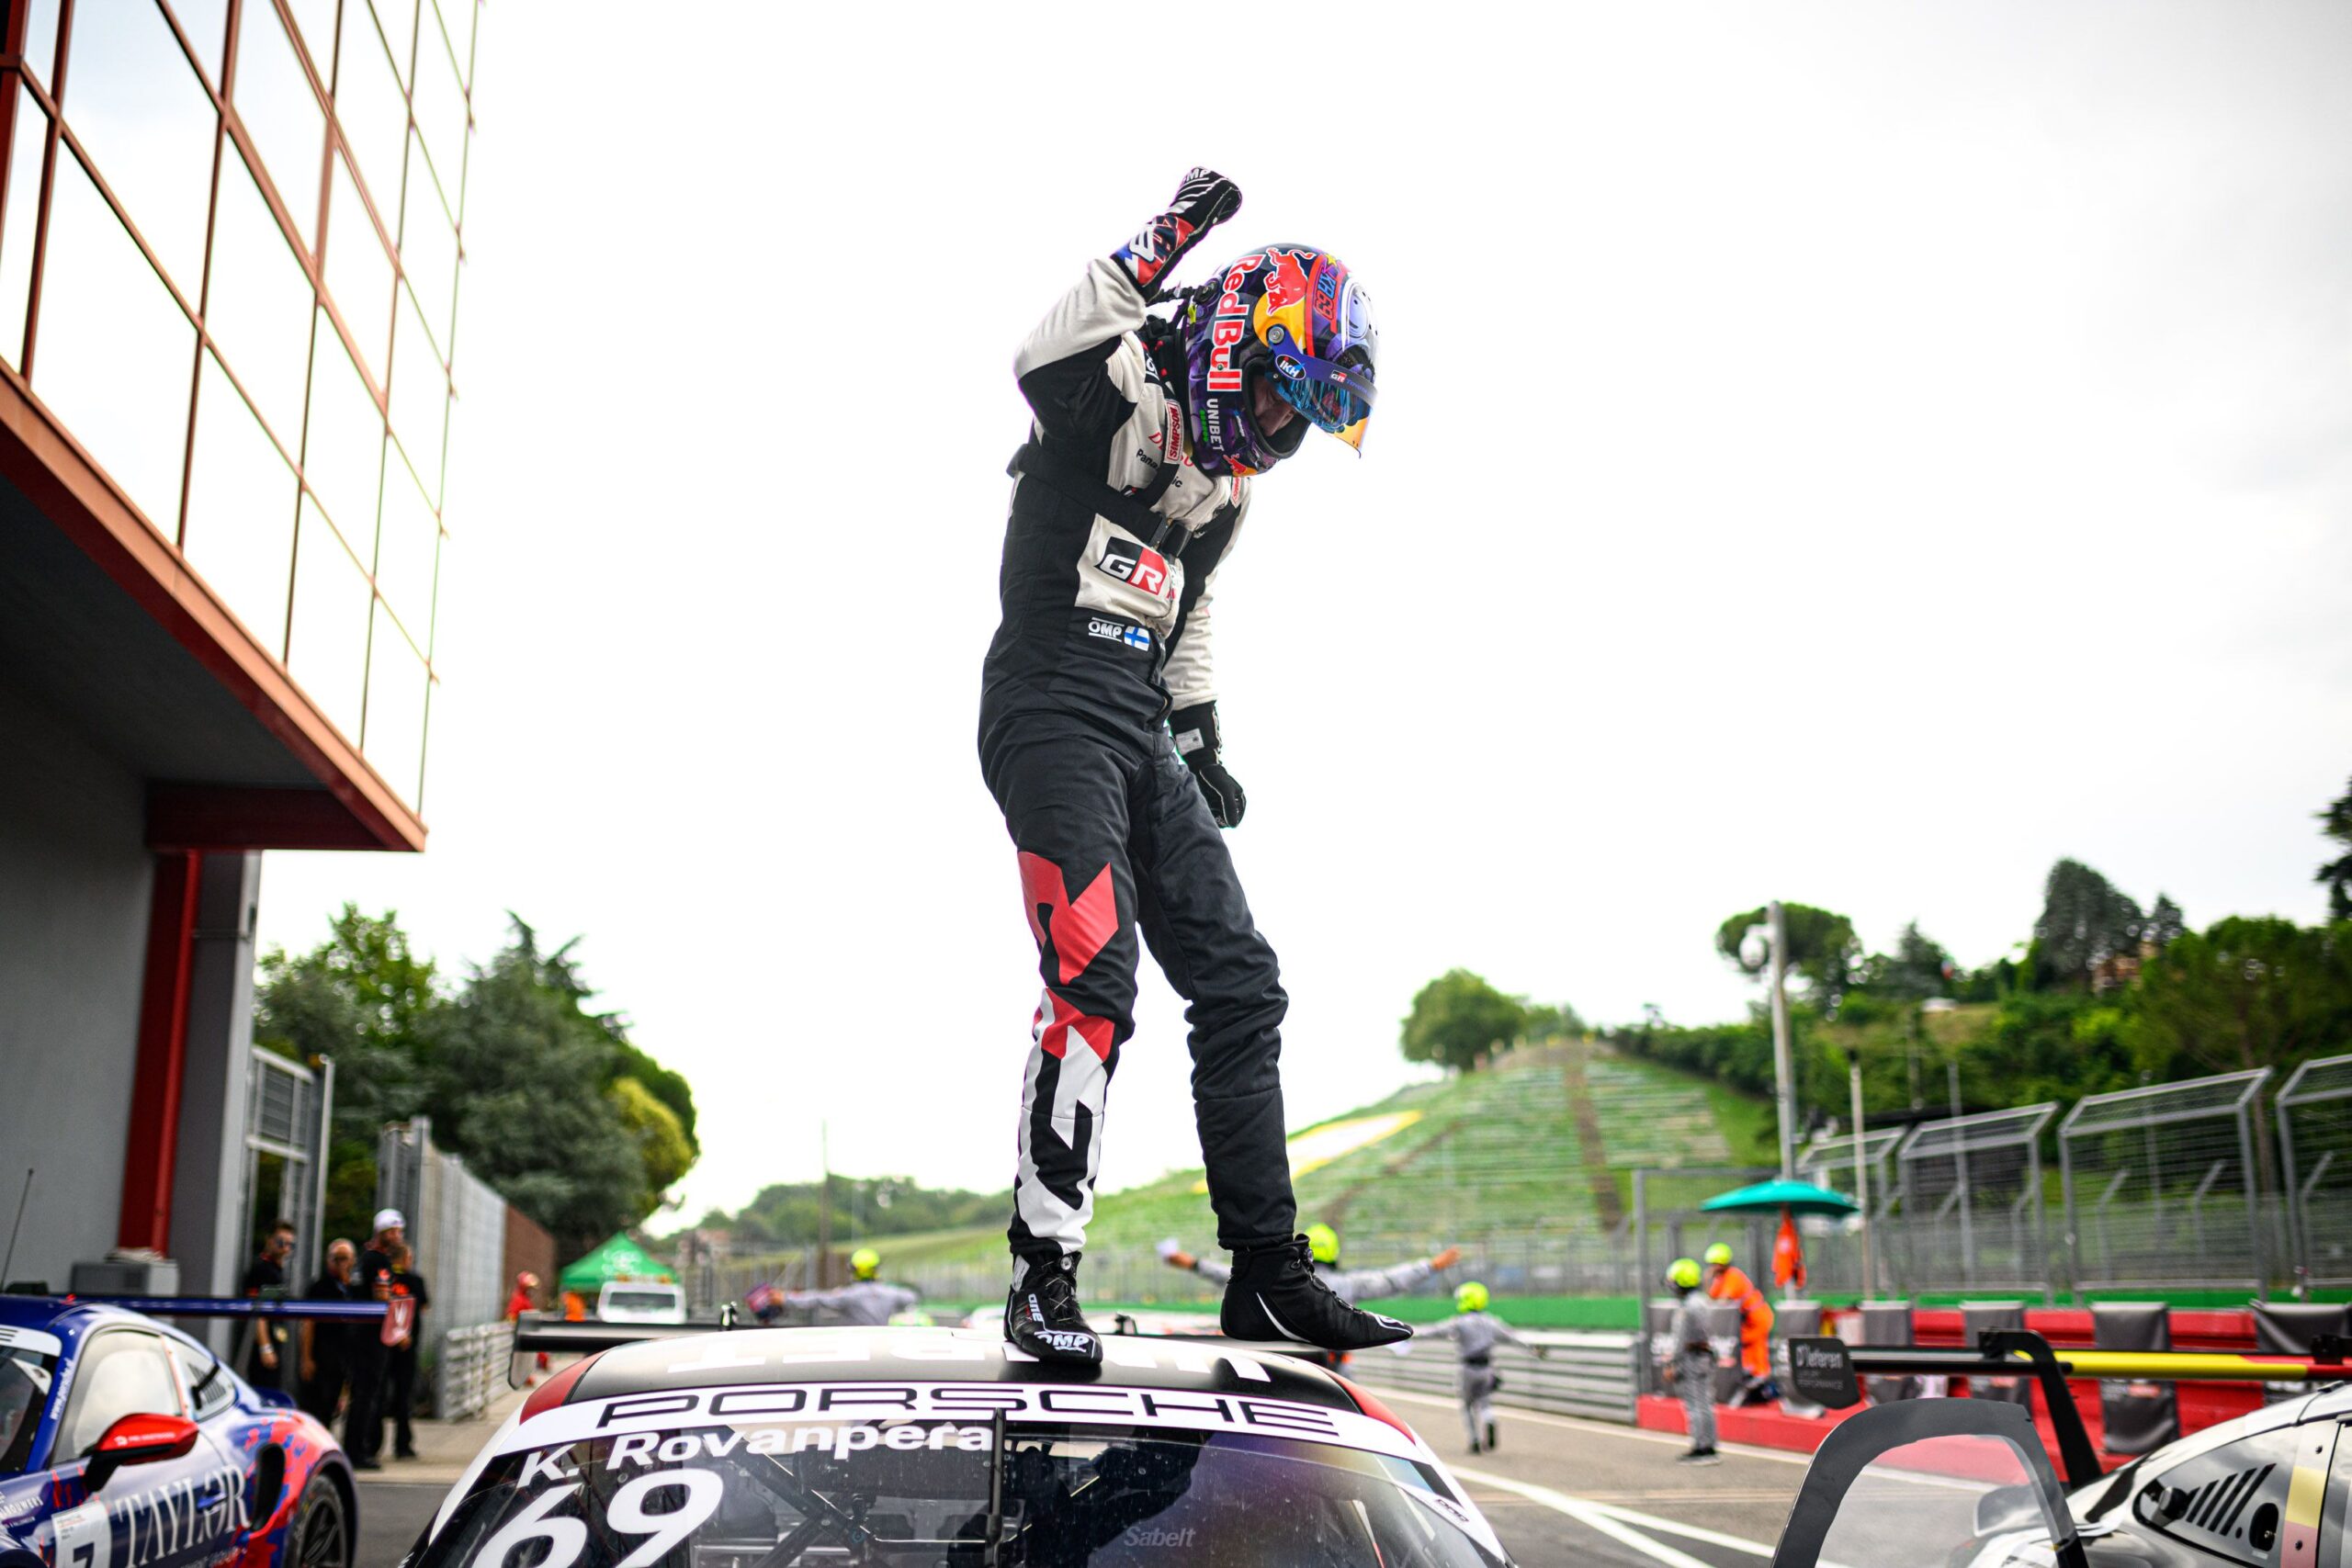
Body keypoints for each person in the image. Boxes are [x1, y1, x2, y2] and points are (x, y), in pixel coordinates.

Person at [981, 167, 1385, 1365]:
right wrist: (1169, 234)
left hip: (1139, 718)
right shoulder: (1111, 391)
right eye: (1272, 399)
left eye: (1298, 420)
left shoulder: (1222, 495)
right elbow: (1038, 351)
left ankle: (1266, 1269)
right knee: (1098, 978)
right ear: (1228, 346)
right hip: (1049, 701)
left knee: (1244, 981)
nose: (1276, 433)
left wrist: (1201, 734)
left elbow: (1187, 608)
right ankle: (1042, 1272)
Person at [1161, 1224, 1463, 1306]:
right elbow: (1392, 1279)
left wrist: (1192, 1263)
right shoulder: (1349, 1284)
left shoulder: (1277, 1279)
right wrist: (1432, 1265)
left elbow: (1231, 1275)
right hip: (1335, 1373)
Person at [1419, 1281, 1548, 1455]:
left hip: (1468, 1368)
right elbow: (1513, 1337)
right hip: (1487, 1368)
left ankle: (1474, 1441)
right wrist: (1534, 1349)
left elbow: (1434, 1331)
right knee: (1484, 1401)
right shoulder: (1492, 1322)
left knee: (1467, 1405)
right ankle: (1489, 1419)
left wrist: (1408, 1334)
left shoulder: (1459, 1323)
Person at [343, 1208, 402, 1471]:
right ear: (384, 1232)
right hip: (371, 1337)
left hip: (358, 1334)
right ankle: (357, 1451)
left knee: (361, 1394)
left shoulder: (363, 1258)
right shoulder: (378, 1262)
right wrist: (398, 1308)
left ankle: (354, 1447)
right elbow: (382, 1297)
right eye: (395, 1231)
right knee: (367, 1396)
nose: (399, 1236)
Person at [1661, 1258, 1721, 1465]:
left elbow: (1681, 1340)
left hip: (1692, 1360)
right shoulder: (1702, 1301)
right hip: (1703, 1358)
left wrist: (1671, 1364)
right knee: (1704, 1402)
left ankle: (1702, 1447)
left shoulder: (1689, 1307)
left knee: (1696, 1404)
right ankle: (1708, 1445)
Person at [1704, 1242, 1777, 1404]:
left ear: (1723, 1263)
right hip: (1746, 1322)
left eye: (1715, 1264)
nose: (1712, 1267)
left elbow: (1724, 1300)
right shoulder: (1720, 1278)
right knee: (1745, 1350)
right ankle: (1753, 1384)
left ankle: (1764, 1388)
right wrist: (1708, 1279)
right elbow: (1710, 1299)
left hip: (1758, 1318)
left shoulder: (1734, 1275)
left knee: (1758, 1355)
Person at [777, 1248, 922, 1327]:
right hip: (884, 1348)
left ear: (853, 1270)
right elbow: (912, 1297)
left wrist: (785, 1298)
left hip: (855, 1347)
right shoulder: (892, 1293)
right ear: (876, 1269)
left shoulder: (847, 1295)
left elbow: (817, 1299)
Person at [297, 1239, 356, 1425]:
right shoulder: (320, 1287)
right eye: (336, 1259)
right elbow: (308, 1324)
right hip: (322, 1353)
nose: (341, 1264)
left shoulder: (353, 1288)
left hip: (344, 1355)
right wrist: (306, 1357)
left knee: (334, 1403)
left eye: (345, 1259)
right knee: (317, 1402)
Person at [381, 1242, 430, 1460]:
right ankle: (402, 1445)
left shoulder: (385, 1279)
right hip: (407, 1345)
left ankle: (372, 1443)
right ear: (406, 1258)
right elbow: (424, 1307)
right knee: (403, 1395)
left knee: (379, 1393)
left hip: (384, 1344)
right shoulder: (414, 1280)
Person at [238, 1220, 295, 1388]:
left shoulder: (277, 1270)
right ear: (269, 1240)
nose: (285, 1247)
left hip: (275, 1339)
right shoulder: (262, 1270)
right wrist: (265, 1347)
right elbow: (257, 1310)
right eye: (280, 1241)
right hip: (261, 1345)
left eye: (290, 1244)